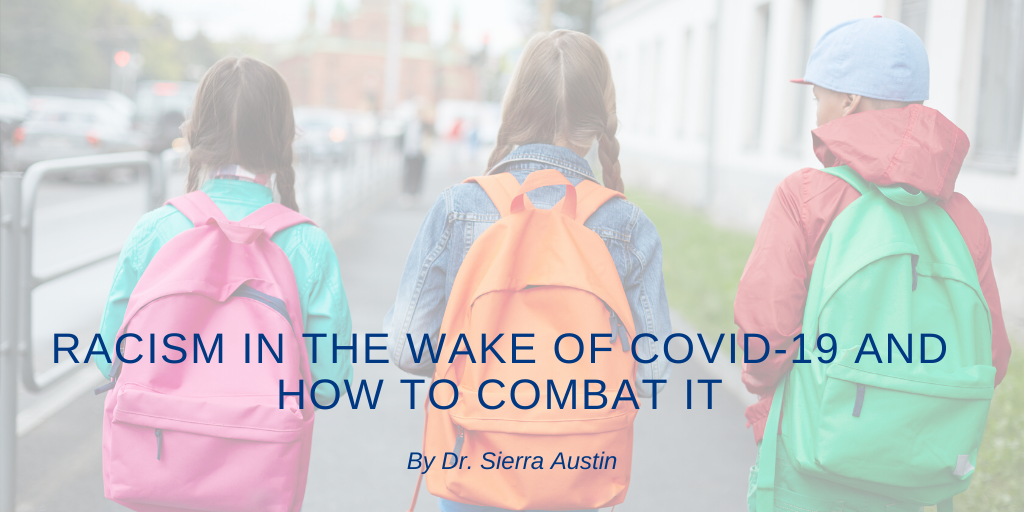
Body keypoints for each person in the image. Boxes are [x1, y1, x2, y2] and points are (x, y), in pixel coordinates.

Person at [384, 30, 672, 512]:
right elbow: (656, 369)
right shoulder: (627, 225)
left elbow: (406, 346)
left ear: (517, 103)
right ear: (598, 120)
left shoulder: (461, 207)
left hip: (473, 462)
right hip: (580, 475)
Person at [735, 17, 1012, 511]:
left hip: (811, 469)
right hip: (921, 481)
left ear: (849, 102)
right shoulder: (964, 220)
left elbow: (763, 342)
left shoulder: (806, 198)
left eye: (817, 96)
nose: (815, 111)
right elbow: (992, 357)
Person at [97, 56, 354, 395]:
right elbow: (329, 385)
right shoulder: (307, 244)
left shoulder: (155, 230)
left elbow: (108, 358)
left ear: (196, 132)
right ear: (284, 137)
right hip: (265, 445)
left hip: (157, 442)